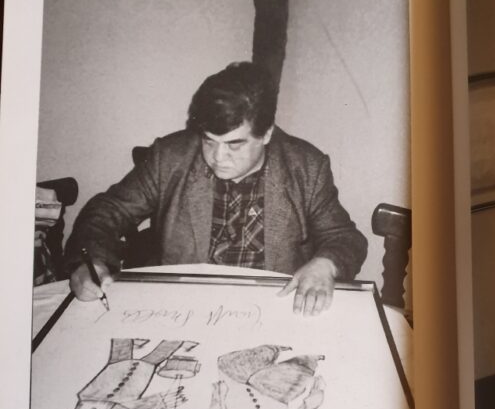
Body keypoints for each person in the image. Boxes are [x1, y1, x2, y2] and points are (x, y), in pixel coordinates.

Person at [65, 62, 367, 316]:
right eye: (209, 140)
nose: (218, 157)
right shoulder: (169, 158)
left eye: (234, 144)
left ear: (266, 134)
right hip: (183, 307)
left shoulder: (307, 167)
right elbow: (107, 211)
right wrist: (91, 261)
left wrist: (326, 264)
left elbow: (344, 238)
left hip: (272, 307)